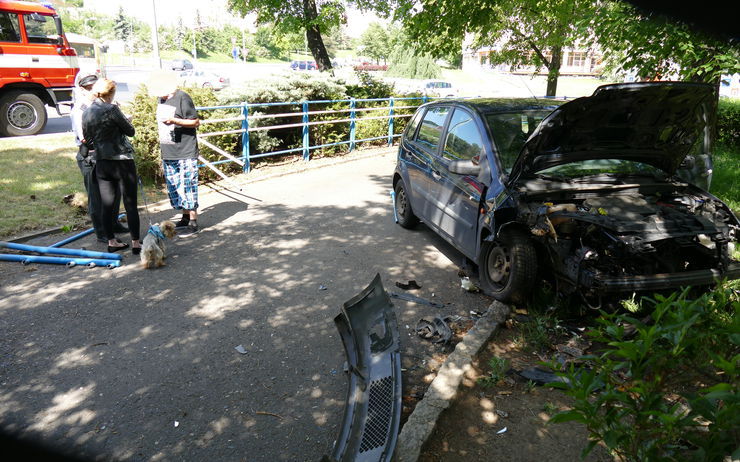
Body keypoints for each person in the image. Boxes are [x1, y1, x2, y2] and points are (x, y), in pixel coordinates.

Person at [81, 79, 141, 254]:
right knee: (130, 203)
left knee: (106, 205)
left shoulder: (87, 111)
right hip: (121, 161)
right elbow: (130, 131)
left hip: (101, 162)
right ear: (111, 93)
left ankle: (111, 241)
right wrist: (126, 120)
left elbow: (88, 138)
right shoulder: (112, 109)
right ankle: (136, 243)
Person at [70, 73, 128, 243]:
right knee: (96, 196)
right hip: (90, 156)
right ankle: (101, 231)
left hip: (107, 154)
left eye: (96, 88)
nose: (94, 92)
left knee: (114, 192)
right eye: (90, 89)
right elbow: (85, 138)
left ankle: (113, 222)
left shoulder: (103, 106)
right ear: (83, 90)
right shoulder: (81, 110)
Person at [148, 70, 201, 235]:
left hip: (185, 150)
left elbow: (195, 122)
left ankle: (193, 219)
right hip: (168, 150)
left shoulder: (183, 97)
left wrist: (175, 120)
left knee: (188, 185)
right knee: (175, 186)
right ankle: (184, 217)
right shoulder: (161, 100)